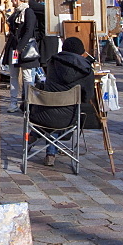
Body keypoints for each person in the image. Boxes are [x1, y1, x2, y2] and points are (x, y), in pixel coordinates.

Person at [29, 36, 94, 168]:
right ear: (81, 52)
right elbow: (87, 97)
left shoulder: (52, 63)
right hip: (68, 119)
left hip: (41, 114)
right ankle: (50, 154)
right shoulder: (86, 70)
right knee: (62, 111)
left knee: (53, 109)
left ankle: (33, 136)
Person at [2, 0, 26, 113]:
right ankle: (13, 101)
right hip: (14, 48)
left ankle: (27, 102)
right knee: (13, 75)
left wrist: (20, 47)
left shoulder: (27, 12)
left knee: (27, 76)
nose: (11, 1)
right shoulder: (15, 13)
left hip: (24, 49)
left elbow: (28, 31)